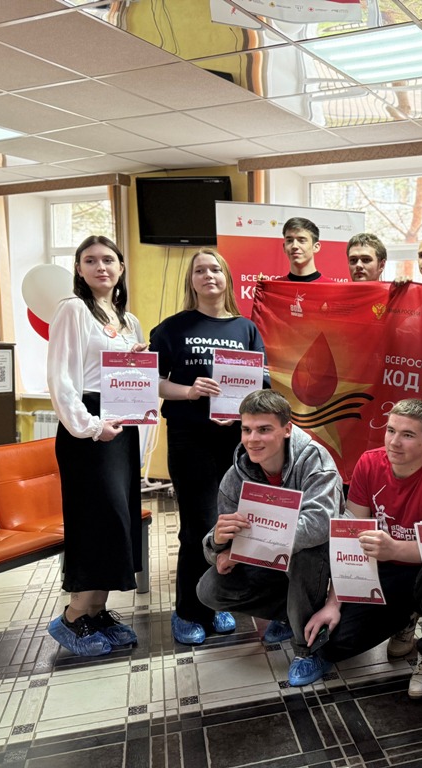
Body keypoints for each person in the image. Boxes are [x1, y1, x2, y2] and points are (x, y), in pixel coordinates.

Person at [301, 399, 422, 697]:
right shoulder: (369, 463)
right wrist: (333, 603)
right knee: (335, 644)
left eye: (407, 435)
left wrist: (395, 549)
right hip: (384, 571)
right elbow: (351, 538)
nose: (394, 442)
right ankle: (404, 619)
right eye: (391, 430)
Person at [149, 248, 268, 646]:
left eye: (215, 269)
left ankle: (215, 602)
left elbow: (260, 386)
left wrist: (238, 413)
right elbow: (151, 381)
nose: (208, 275)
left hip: (236, 441)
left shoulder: (246, 329)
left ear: (226, 278)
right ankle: (187, 610)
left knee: (232, 526)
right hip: (191, 438)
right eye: (199, 270)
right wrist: (188, 391)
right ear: (192, 281)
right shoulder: (173, 328)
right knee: (199, 525)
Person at [196, 389, 343, 685]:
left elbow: (318, 525)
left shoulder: (314, 460)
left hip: (320, 560)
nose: (253, 439)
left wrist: (253, 542)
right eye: (247, 430)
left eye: (264, 430)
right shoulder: (236, 474)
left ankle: (310, 649)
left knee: (304, 553)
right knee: (210, 589)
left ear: (287, 429)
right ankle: (290, 614)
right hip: (272, 563)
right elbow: (218, 540)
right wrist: (219, 544)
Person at [46, 235, 145, 657]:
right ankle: (73, 616)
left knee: (118, 520)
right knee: (96, 518)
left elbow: (127, 377)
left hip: (120, 427)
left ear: (121, 267)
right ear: (79, 269)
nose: (100, 267)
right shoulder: (73, 309)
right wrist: (88, 426)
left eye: (108, 259)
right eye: (90, 260)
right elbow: (61, 378)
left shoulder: (129, 320)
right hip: (88, 428)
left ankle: (97, 611)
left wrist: (136, 360)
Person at [282, 217, 327, 282]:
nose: (294, 246)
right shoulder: (272, 286)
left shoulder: (332, 287)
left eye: (301, 240)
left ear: (316, 247)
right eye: (289, 241)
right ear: (284, 247)